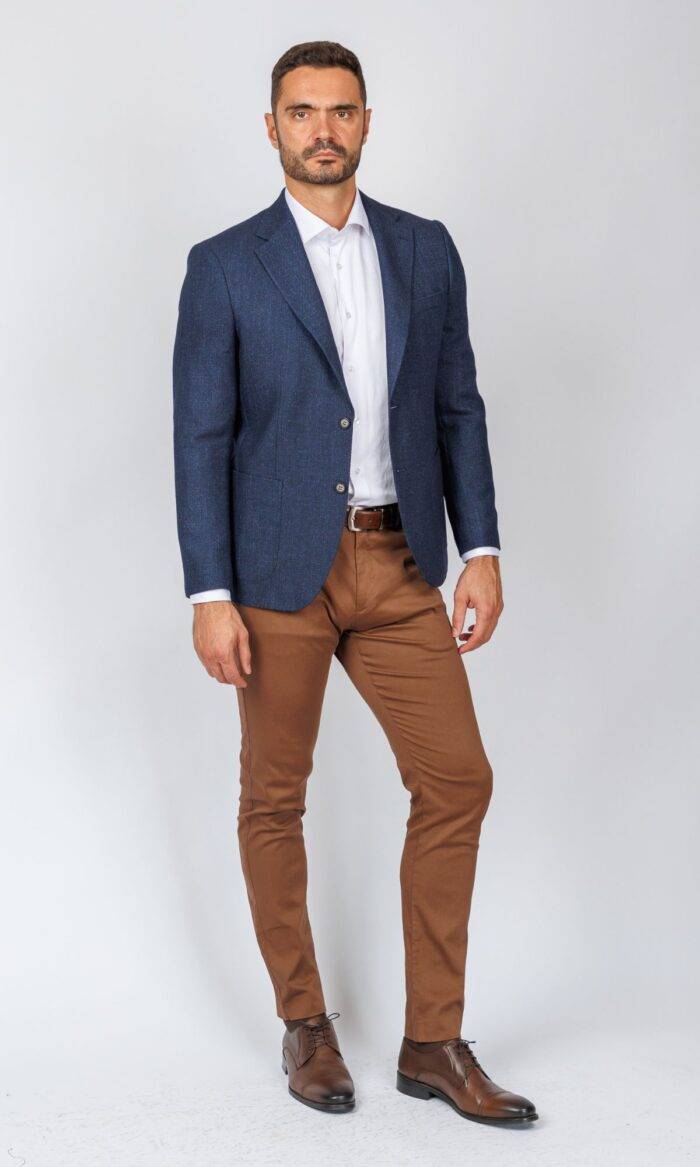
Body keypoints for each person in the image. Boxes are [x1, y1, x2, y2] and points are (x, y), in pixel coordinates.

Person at [173, 39, 537, 1124]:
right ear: (272, 128)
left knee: (457, 779)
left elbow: (458, 404)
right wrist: (208, 594)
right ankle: (305, 1022)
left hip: (399, 560)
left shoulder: (425, 249)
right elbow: (201, 436)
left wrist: (481, 548)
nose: (322, 130)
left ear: (367, 122)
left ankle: (433, 1042)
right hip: (274, 572)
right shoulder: (225, 265)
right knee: (273, 797)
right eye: (302, 112)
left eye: (341, 111)